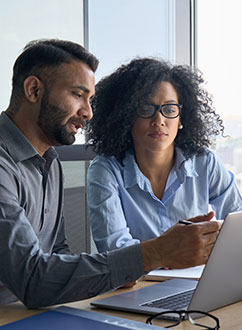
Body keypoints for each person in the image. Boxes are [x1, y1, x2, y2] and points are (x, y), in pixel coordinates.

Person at [0, 39, 221, 308]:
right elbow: (33, 280)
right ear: (33, 90)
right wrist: (158, 252)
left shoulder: (50, 161)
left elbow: (57, 253)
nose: (88, 112)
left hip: (27, 313)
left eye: (90, 99)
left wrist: (115, 272)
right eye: (77, 95)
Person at [86, 58, 242, 253]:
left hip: (200, 278)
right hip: (138, 283)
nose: (159, 120)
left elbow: (240, 226)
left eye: (169, 110)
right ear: (126, 116)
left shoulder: (205, 162)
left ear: (181, 119)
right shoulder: (105, 170)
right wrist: (167, 255)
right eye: (146, 109)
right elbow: (115, 251)